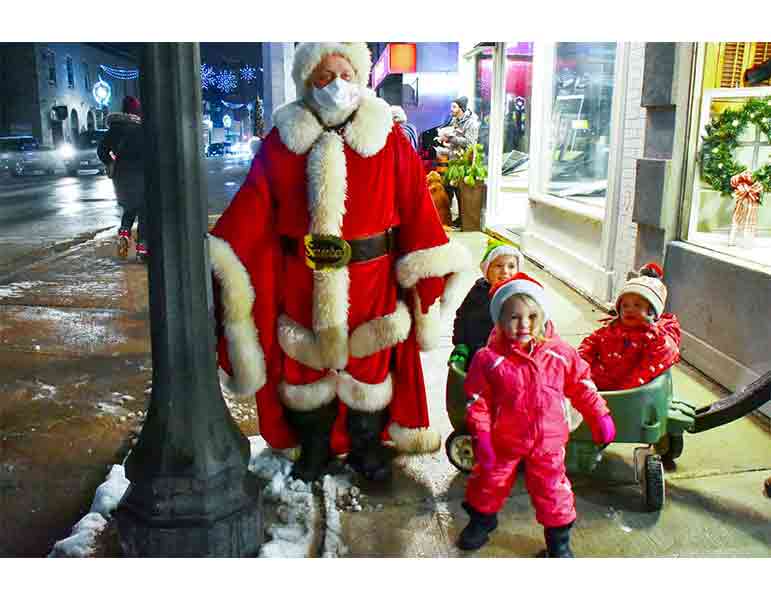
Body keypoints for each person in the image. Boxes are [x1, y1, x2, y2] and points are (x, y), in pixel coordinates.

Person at [207, 43, 472, 483]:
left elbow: (418, 208)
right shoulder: (281, 141)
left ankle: (367, 446)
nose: (335, 85)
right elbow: (253, 205)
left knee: (370, 365)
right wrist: (221, 251)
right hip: (301, 279)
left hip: (373, 278)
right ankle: (313, 449)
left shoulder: (388, 139)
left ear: (362, 78)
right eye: (323, 77)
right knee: (304, 366)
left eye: (344, 74)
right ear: (306, 83)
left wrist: (428, 267)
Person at [458, 272, 616, 555]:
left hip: (549, 441)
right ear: (499, 319)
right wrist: (481, 434)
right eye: (514, 317)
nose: (524, 325)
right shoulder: (489, 359)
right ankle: (481, 522)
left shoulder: (561, 354)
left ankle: (559, 543)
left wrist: (599, 414)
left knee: (553, 490)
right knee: (488, 481)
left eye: (532, 316)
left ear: (542, 316)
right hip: (505, 437)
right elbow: (478, 399)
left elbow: (581, 385)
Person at [578, 263, 681, 391]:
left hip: (631, 390)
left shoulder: (656, 339)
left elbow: (654, 362)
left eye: (637, 305)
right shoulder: (610, 329)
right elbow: (590, 344)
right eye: (625, 305)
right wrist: (580, 366)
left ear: (652, 312)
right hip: (601, 382)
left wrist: (627, 389)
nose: (629, 310)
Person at [450, 240, 522, 368]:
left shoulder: (519, 295)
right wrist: (460, 343)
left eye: (511, 266)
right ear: (487, 269)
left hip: (504, 358)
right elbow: (462, 317)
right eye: (498, 266)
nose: (505, 271)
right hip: (474, 353)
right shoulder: (478, 290)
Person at [98, 96, 147, 262]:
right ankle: (142, 249)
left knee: (128, 207)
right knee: (144, 211)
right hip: (140, 173)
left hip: (121, 174)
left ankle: (124, 234)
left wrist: (110, 161)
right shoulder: (141, 129)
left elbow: (101, 150)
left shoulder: (114, 128)